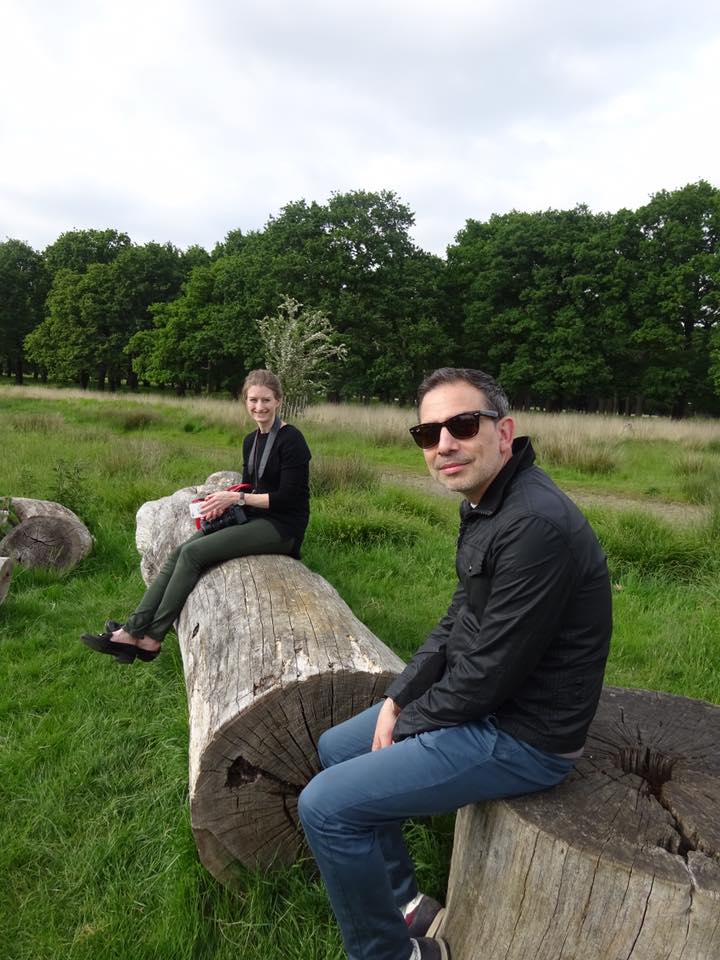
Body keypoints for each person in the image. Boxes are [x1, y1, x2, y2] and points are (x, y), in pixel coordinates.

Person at [298, 367, 612, 960]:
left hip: (526, 736)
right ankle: (407, 905)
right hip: (492, 706)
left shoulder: (534, 526)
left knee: (326, 806)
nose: (444, 444)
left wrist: (407, 724)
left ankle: (394, 955)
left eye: (463, 425)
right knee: (339, 747)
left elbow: (488, 676)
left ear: (504, 432)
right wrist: (397, 697)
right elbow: (458, 620)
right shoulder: (490, 502)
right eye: (428, 432)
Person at [81, 369, 311, 665]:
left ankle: (152, 639)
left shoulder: (292, 439)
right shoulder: (250, 440)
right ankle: (132, 630)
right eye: (253, 400)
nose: (259, 407)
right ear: (245, 401)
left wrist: (236, 498)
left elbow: (288, 497)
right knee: (179, 552)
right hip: (255, 517)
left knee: (193, 554)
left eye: (266, 400)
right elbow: (252, 487)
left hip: (283, 527)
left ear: (278, 401)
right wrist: (222, 504)